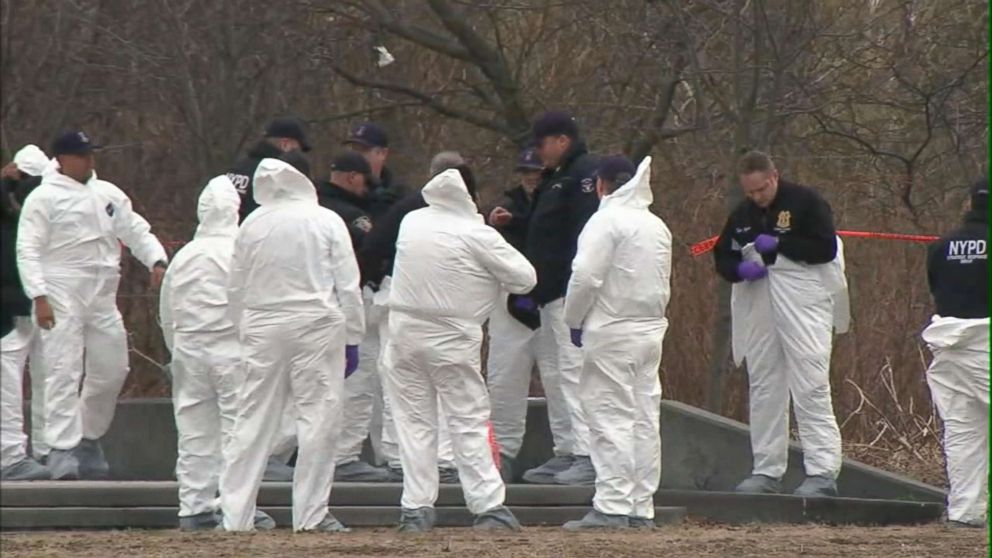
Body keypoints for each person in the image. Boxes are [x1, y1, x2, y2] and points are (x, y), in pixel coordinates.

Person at [382, 168, 536, 532]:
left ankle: (416, 508)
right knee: (467, 421)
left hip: (402, 334)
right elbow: (525, 277)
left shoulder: (412, 222)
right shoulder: (476, 234)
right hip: (452, 338)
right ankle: (488, 506)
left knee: (414, 423)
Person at [219, 158, 364, 533]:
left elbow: (235, 285)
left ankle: (236, 515)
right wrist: (353, 337)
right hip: (316, 326)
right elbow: (347, 283)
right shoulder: (325, 219)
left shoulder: (252, 223)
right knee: (318, 420)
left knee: (251, 421)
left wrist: (243, 329)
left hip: (263, 326)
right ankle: (311, 515)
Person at [17, 131, 168, 481]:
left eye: (90, 155)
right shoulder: (43, 198)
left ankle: (88, 435)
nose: (89, 161)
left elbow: (135, 230)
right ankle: (59, 448)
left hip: (102, 292)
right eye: (82, 156)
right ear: (62, 159)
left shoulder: (108, 194)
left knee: (112, 367)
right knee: (62, 367)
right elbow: (28, 249)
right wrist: (39, 295)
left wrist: (156, 260)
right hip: (60, 288)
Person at [713, 150, 849, 497]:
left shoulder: (805, 202)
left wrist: (782, 244)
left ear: (773, 177)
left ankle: (822, 471)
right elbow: (723, 254)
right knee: (764, 384)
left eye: (761, 190)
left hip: (803, 299)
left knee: (810, 382)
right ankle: (766, 469)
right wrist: (738, 269)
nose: (757, 198)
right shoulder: (743, 215)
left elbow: (825, 249)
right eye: (750, 192)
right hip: (760, 300)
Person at [561, 155, 672, 530]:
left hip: (611, 329)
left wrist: (573, 319)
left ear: (601, 185)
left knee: (610, 416)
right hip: (650, 331)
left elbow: (585, 277)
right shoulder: (657, 226)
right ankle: (641, 506)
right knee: (643, 419)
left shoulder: (605, 221)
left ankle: (611, 505)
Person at [159, 175, 275, 531]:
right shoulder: (240, 250)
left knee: (194, 432)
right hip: (232, 349)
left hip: (189, 350)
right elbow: (253, 301)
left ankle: (193, 506)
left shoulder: (184, 256)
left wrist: (174, 350)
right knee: (237, 432)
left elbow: (167, 311)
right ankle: (236, 507)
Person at [360, 151, 469, 483]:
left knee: (403, 386)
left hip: (409, 306)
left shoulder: (408, 212)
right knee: (447, 388)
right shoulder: (465, 217)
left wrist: (375, 278)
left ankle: (402, 457)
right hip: (445, 309)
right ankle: (437, 459)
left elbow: (374, 246)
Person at [517, 111, 600, 486]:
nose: (539, 152)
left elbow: (585, 233)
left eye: (542, 144)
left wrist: (575, 287)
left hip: (570, 293)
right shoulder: (554, 179)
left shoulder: (583, 174)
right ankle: (565, 449)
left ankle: (587, 454)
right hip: (548, 295)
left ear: (561, 140)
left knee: (574, 373)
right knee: (554, 376)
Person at [484, 147, 570, 482]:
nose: (531, 178)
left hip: (552, 300)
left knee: (561, 377)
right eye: (526, 172)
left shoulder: (558, 205)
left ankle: (570, 450)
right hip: (512, 304)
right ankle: (501, 454)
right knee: (505, 379)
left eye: (536, 172)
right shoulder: (506, 206)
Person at [316, 151, 392, 482]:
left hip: (306, 309)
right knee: (358, 380)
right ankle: (344, 456)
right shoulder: (349, 216)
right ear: (353, 178)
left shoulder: (312, 210)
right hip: (344, 304)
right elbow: (370, 249)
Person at [922, 177, 989, 528]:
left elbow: (936, 288)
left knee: (964, 433)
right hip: (986, 341)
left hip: (949, 346)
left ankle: (965, 512)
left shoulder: (941, 246)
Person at [1, 145, 51, 481]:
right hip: (11, 310)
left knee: (50, 375)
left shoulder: (29, 209)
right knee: (8, 380)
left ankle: (48, 449)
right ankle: (10, 454)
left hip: (35, 304)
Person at [229, 116, 311, 222]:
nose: (299, 154)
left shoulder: (238, 167)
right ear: (285, 144)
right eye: (298, 149)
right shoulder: (274, 175)